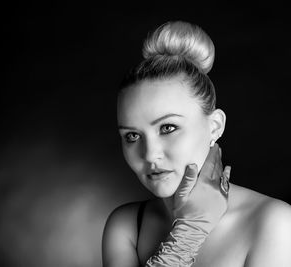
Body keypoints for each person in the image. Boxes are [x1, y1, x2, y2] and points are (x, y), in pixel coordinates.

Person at [102, 21, 291, 267]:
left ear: (215, 126)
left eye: (168, 128)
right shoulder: (127, 225)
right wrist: (187, 236)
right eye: (132, 136)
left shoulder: (274, 223)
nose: (149, 154)